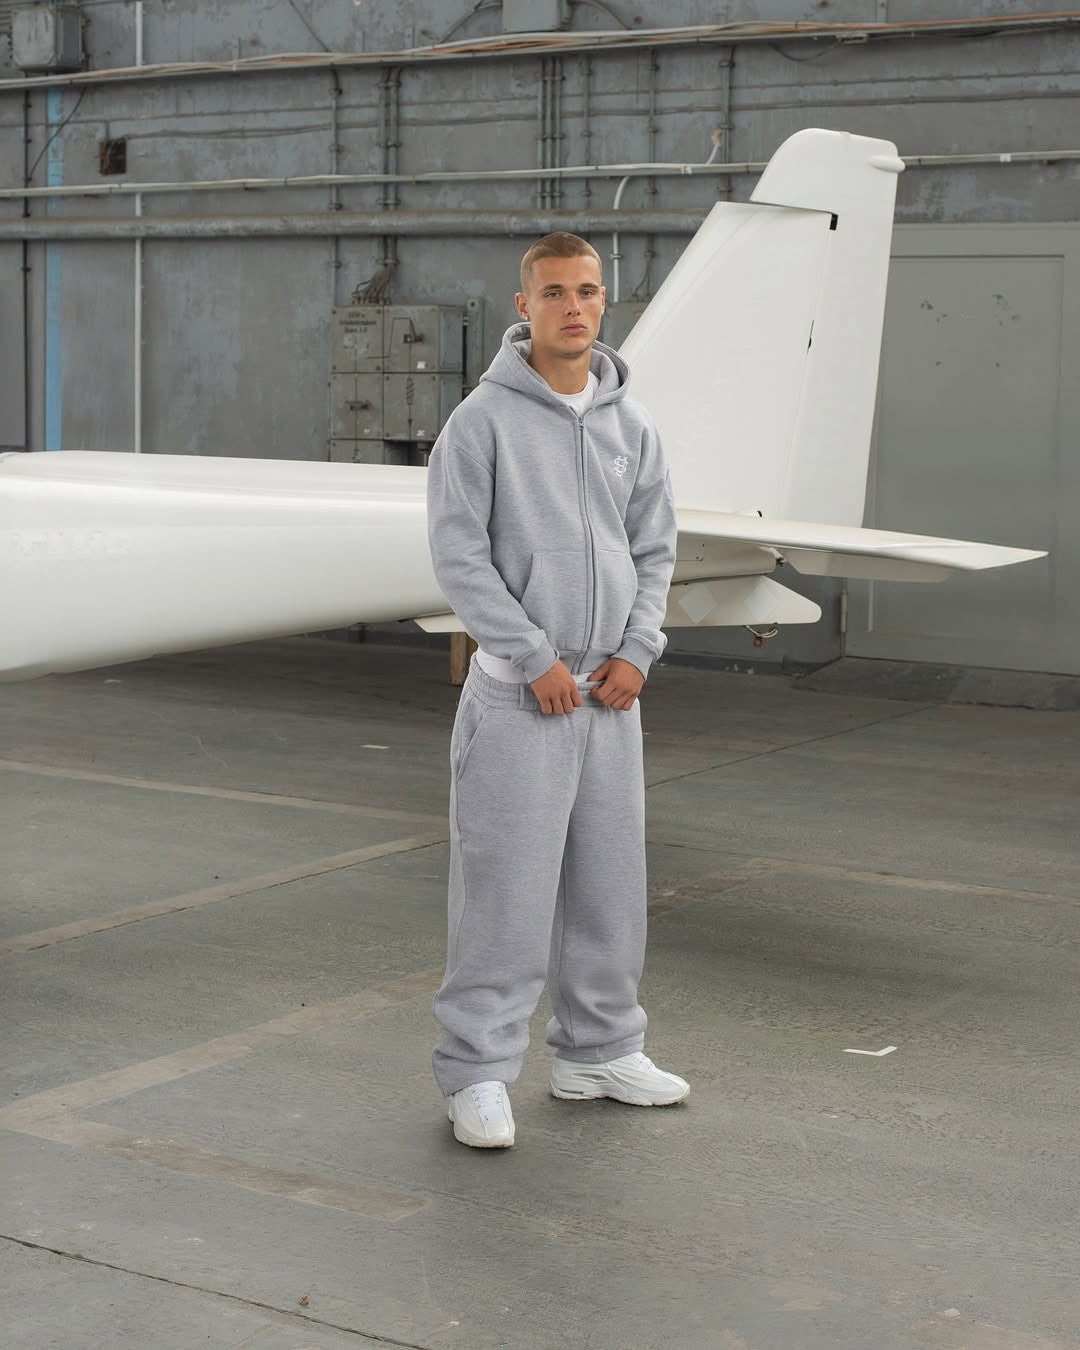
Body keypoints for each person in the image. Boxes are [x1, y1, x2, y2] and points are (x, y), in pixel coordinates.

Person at [425, 231, 688, 1149]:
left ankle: (599, 1052)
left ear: (604, 301)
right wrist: (531, 655)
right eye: (554, 293)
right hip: (517, 696)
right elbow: (459, 556)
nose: (573, 307)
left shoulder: (633, 426)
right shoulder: (480, 423)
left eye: (586, 291)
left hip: (610, 697)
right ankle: (477, 1073)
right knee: (503, 893)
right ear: (523, 306)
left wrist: (639, 650)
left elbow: (655, 549)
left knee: (610, 887)